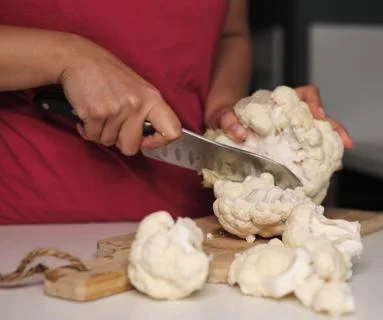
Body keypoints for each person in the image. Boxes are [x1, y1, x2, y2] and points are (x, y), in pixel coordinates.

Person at [0, 1, 352, 224]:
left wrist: (226, 110)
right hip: (27, 230)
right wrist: (67, 57)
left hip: (192, 225)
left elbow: (231, 35)